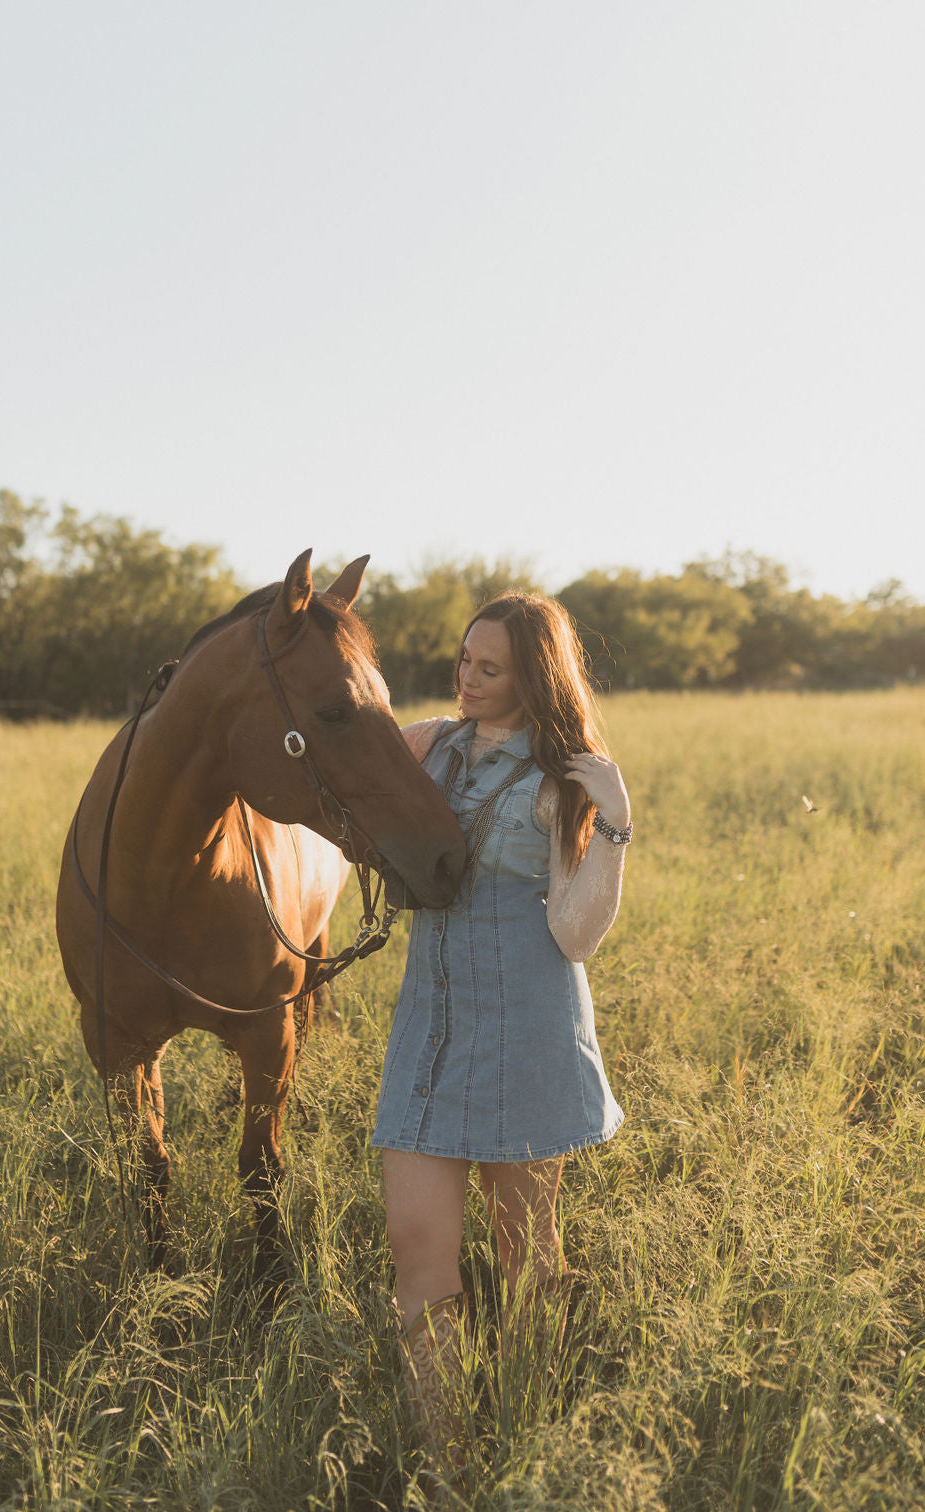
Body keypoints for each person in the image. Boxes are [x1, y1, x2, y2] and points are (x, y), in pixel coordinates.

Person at [371, 591, 631, 1490]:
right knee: (416, 1245)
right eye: (464, 661)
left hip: (527, 1029)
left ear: (534, 678)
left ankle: (528, 1437)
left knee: (527, 1257)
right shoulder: (427, 746)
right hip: (429, 1029)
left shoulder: (566, 778)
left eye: (491, 669)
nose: (468, 680)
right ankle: (447, 1465)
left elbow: (575, 934)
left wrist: (616, 825)